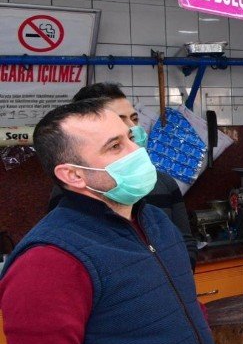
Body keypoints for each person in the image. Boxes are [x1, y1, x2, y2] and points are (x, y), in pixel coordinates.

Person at [0, 98, 217, 344]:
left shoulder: (156, 221)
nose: (137, 151)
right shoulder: (48, 260)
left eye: (131, 137)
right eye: (115, 146)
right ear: (73, 175)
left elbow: (183, 307)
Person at [48, 82, 197, 266]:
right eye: (119, 120)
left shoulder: (164, 183)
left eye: (134, 119)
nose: (132, 128)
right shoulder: (74, 187)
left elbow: (185, 241)